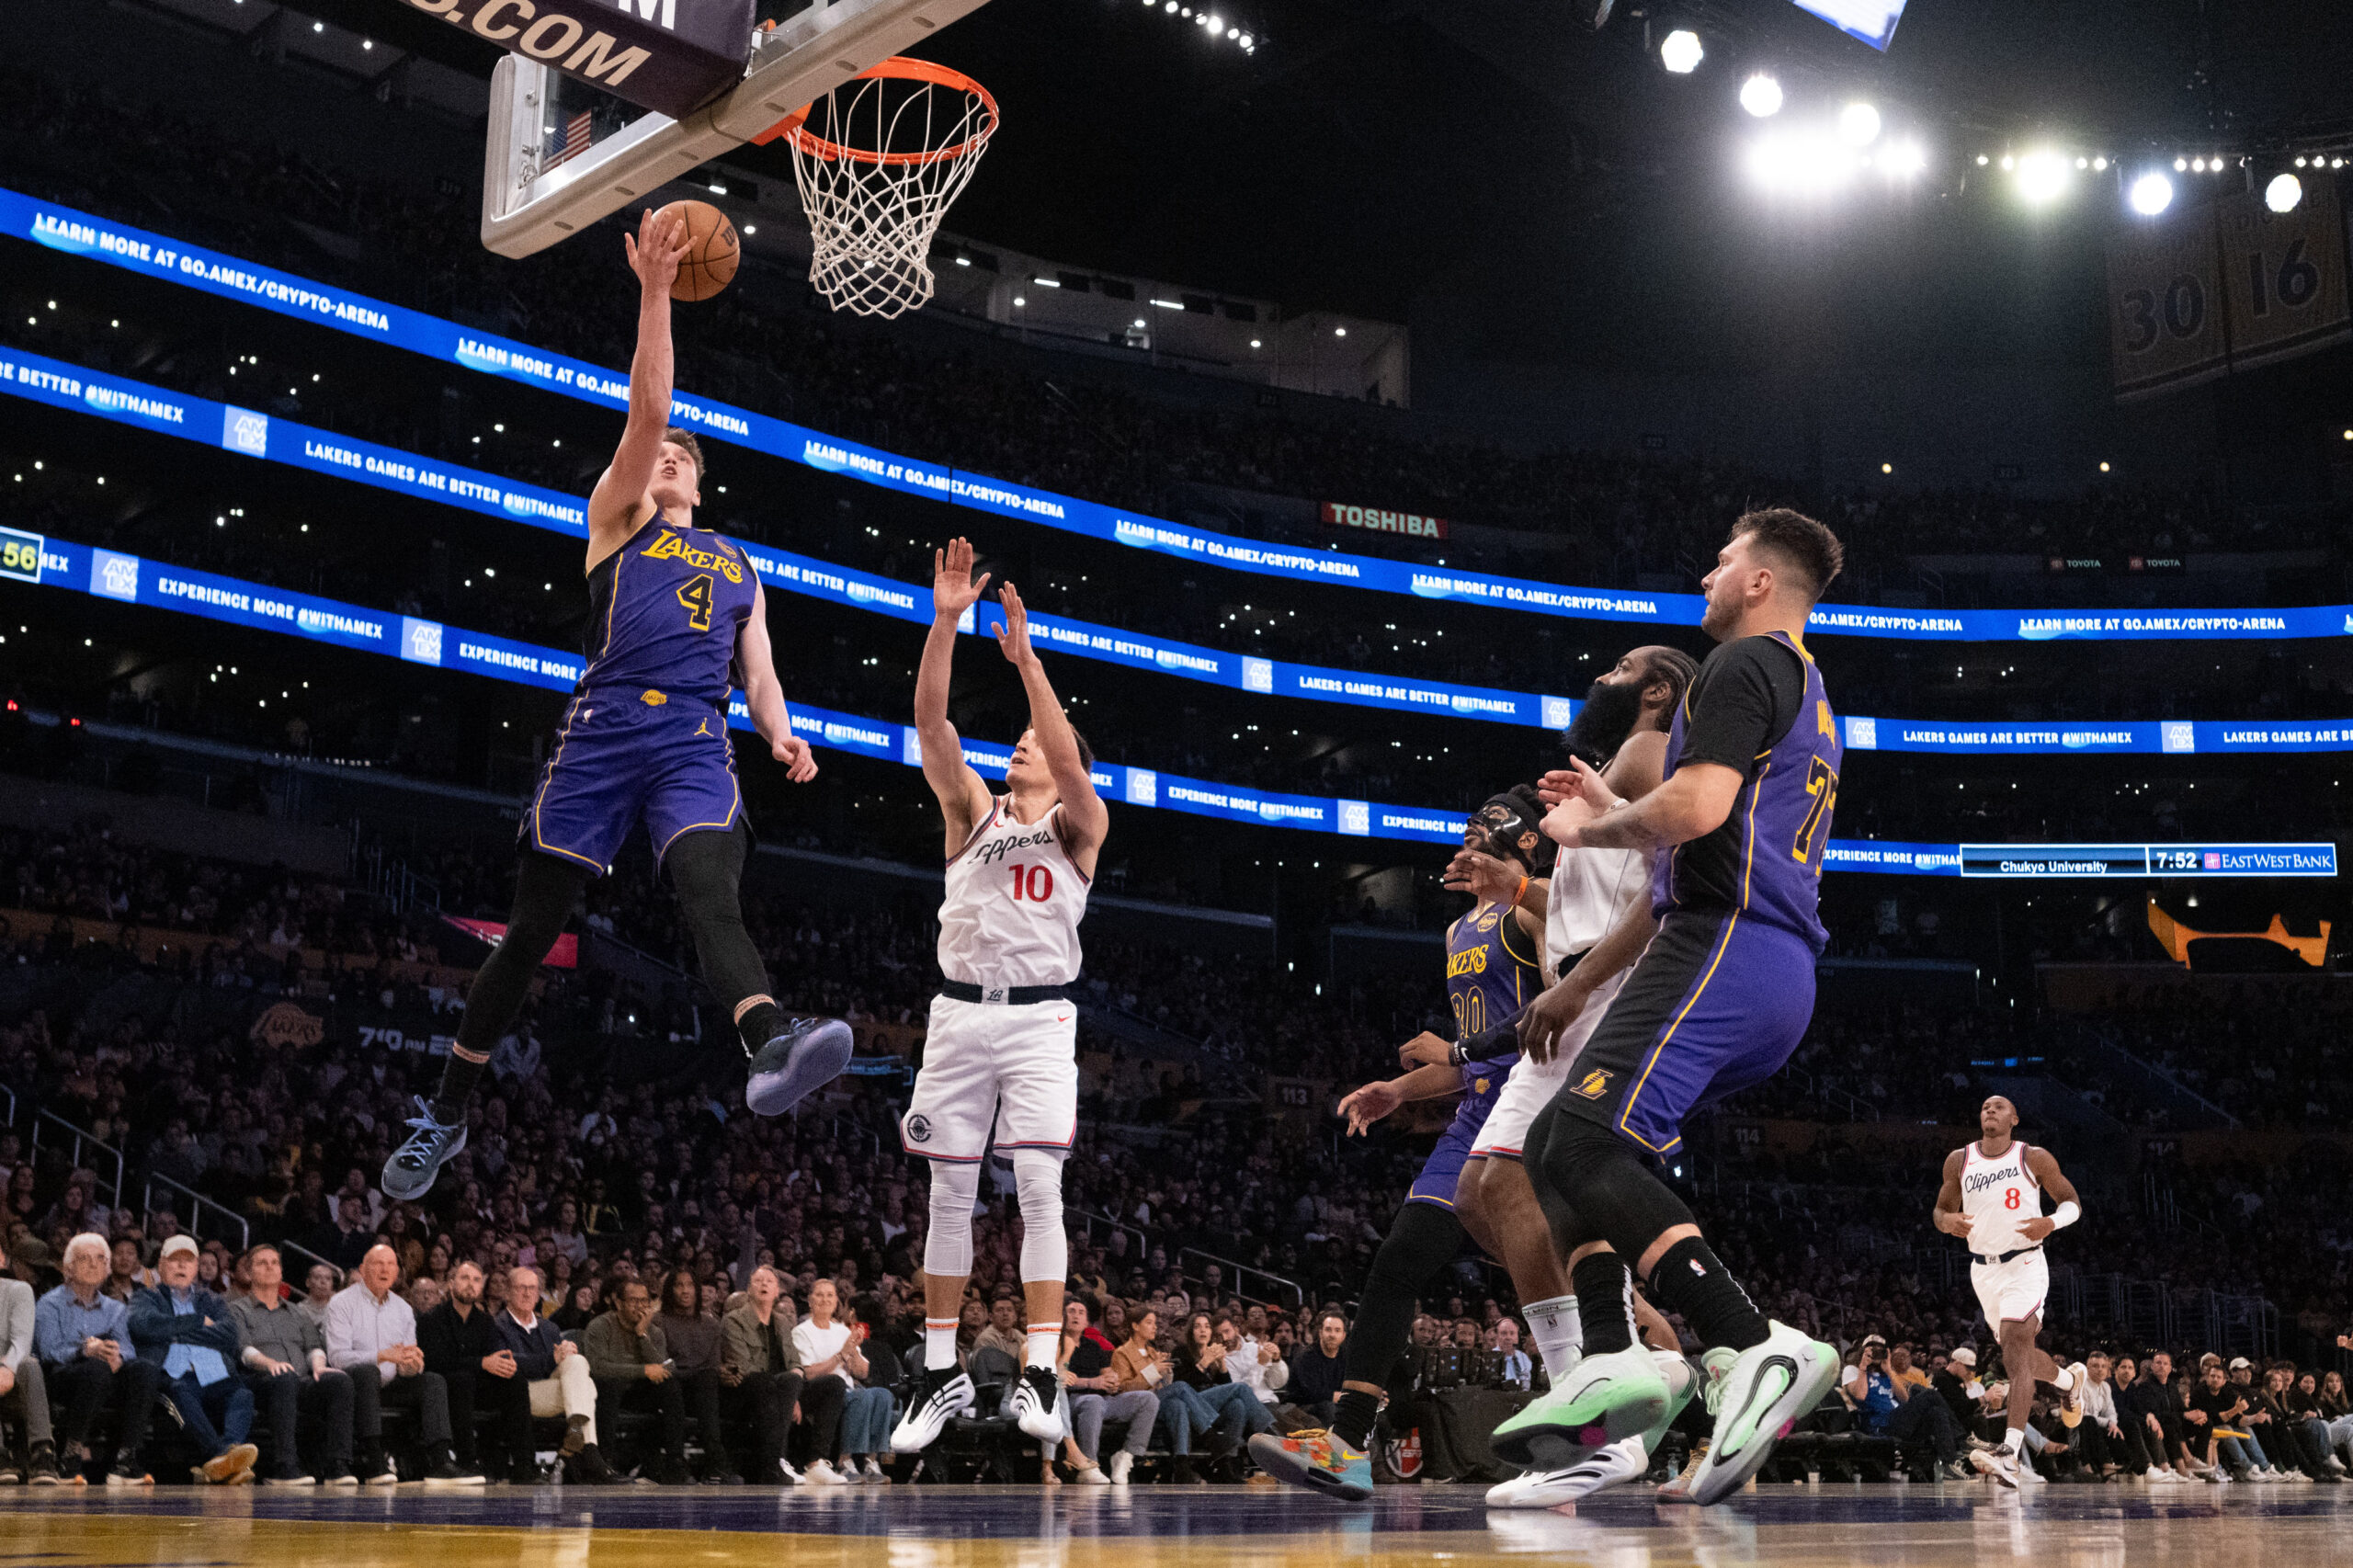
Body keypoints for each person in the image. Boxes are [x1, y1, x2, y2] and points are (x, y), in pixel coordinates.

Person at [380, 207, 845, 1205]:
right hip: (603, 725)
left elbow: (757, 663)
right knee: (530, 926)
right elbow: (646, 410)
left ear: (704, 483)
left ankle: (771, 1040)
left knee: (708, 888)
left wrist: (780, 731)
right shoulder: (615, 518)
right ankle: (450, 1108)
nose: (669, 453)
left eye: (684, 454)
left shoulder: (737, 561)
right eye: (662, 450)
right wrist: (652, 292)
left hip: (692, 734)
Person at [1496, 508, 1850, 1507]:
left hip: (1724, 937)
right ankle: (1620, 1364)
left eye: (1724, 559)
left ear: (1758, 584)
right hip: (1762, 958)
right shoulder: (1812, 691)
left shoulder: (1740, 665)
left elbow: (1695, 811)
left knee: (1575, 1144)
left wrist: (1593, 823)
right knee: (1571, 1142)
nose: (1707, 570)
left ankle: (1749, 1342)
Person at [1253, 787, 1548, 1501]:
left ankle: (1714, 1380)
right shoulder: (1456, 933)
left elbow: (1559, 1007)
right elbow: (1465, 1057)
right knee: (1396, 1262)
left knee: (1590, 1280)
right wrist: (1396, 1089)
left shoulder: (1536, 907)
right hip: (1476, 1112)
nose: (1469, 841)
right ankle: (1350, 1440)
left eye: (1486, 831)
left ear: (1522, 841)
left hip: (1537, 1108)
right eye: (1468, 829)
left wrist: (1518, 881)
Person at [891, 538, 1105, 1458]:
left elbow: (1062, 745)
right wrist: (944, 622)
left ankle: (1043, 1369)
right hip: (957, 1011)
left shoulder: (1081, 826)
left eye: (1032, 744)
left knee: (1038, 1183)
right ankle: (938, 1371)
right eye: (1015, 740)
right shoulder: (971, 814)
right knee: (946, 1187)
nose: (1019, 746)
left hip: (1039, 1017)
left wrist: (1029, 666)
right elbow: (932, 725)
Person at [1934, 1095, 2086, 1489]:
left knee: (2016, 1342)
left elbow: (2072, 1202)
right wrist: (1948, 1221)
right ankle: (2069, 1383)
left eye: (1999, 1107)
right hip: (1983, 1272)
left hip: (2026, 1263)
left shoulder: (2032, 1157)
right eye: (1984, 1106)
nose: (1989, 1110)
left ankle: (2010, 1454)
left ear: (2014, 1119)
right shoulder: (1959, 1159)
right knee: (2018, 1356)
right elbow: (1940, 1211)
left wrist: (2050, 1223)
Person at [324, 1244, 469, 1485]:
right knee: (369, 1371)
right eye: (378, 1263)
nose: (385, 1269)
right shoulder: (341, 1303)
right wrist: (383, 1355)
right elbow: (337, 1357)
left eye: (391, 1264)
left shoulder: (403, 1308)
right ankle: (373, 1460)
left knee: (433, 1381)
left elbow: (405, 1362)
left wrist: (412, 1365)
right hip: (354, 1387)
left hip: (391, 1384)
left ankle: (441, 1460)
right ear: (362, 1269)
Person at [127, 1234, 261, 1485]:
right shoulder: (146, 1297)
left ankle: (230, 1451)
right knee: (179, 1391)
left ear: (196, 1267)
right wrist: (198, 1322)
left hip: (215, 1373)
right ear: (161, 1266)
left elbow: (229, 1335)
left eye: (187, 1261)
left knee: (243, 1394)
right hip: (175, 1375)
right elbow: (145, 1325)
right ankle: (220, 1455)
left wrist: (174, 1331)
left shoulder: (210, 1299)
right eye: (174, 1260)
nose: (181, 1266)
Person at [37, 1233, 167, 1485]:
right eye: (85, 1258)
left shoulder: (114, 1308)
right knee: (96, 1368)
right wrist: (83, 1349)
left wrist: (118, 1356)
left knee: (145, 1369)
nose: (94, 1264)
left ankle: (125, 1459)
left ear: (107, 1268)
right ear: (68, 1268)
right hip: (63, 1377)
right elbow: (48, 1351)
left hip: (106, 1377)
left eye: (100, 1258)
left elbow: (129, 1349)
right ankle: (70, 1455)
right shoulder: (49, 1303)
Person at [228, 1244, 356, 1485]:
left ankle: (337, 1465)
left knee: (339, 1381)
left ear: (281, 1271)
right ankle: (285, 1465)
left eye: (274, 1262)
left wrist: (318, 1366)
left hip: (299, 1380)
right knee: (284, 1376)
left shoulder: (297, 1312)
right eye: (262, 1263)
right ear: (250, 1272)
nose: (269, 1267)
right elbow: (243, 1350)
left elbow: (314, 1347)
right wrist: (269, 1363)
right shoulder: (238, 1309)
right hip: (261, 1381)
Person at [485, 1265, 616, 1485]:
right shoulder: (496, 1326)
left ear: (539, 1294)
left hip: (553, 1391)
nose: (527, 1293)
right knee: (587, 1388)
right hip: (519, 1394)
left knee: (576, 1360)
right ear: (507, 1293)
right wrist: (552, 1359)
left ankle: (582, 1439)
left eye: (532, 1288)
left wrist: (566, 1354)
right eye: (521, 1288)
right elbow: (509, 1364)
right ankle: (587, 1451)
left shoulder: (550, 1328)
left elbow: (558, 1365)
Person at [584, 1276, 689, 1483]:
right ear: (618, 1303)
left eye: (644, 1301)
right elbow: (597, 1367)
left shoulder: (653, 1331)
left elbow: (667, 1368)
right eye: (633, 1301)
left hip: (638, 1395)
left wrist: (642, 1335)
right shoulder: (600, 1326)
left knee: (670, 1387)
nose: (640, 1306)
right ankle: (605, 1462)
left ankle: (675, 1461)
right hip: (605, 1392)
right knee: (610, 1385)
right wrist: (643, 1371)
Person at [1838, 1334, 1969, 1480]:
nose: (1876, 1353)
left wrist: (1889, 1371)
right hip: (1880, 1424)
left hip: (1900, 1421)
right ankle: (1963, 1439)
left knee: (1936, 1412)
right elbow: (1860, 1395)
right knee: (1930, 1395)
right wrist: (1863, 1367)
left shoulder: (1886, 1373)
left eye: (1880, 1349)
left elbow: (1904, 1398)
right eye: (1872, 1349)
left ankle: (1948, 1465)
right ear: (1863, 1350)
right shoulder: (1853, 1370)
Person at [718, 1265, 804, 1485]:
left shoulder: (783, 1322)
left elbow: (794, 1362)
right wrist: (786, 1394)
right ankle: (774, 1464)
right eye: (758, 1281)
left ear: (777, 1292)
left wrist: (793, 1394)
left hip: (779, 1391)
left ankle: (816, 1462)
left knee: (822, 1383)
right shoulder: (733, 1319)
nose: (764, 1284)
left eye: (769, 1282)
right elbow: (742, 1366)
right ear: (749, 1289)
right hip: (745, 1390)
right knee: (765, 1382)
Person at [415, 1261, 499, 1483]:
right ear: (451, 1284)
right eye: (464, 1278)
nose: (470, 1285)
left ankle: (521, 1466)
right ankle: (467, 1460)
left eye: (476, 1280)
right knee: (462, 1380)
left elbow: (493, 1358)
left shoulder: (486, 1322)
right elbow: (435, 1361)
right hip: (443, 1387)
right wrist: (481, 1363)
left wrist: (499, 1365)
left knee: (514, 1382)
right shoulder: (432, 1318)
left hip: (475, 1386)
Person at [1059, 1298, 1151, 1485]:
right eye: (1071, 1311)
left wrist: (1112, 1382)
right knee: (1093, 1400)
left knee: (1147, 1399)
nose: (1076, 1315)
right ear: (1062, 1317)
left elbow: (1107, 1374)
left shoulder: (1093, 1345)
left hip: (1102, 1400)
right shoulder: (1056, 1345)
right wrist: (1091, 1383)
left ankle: (1126, 1455)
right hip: (1070, 1401)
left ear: (1087, 1322)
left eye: (1081, 1312)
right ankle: (1088, 1466)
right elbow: (1058, 1380)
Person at [1173, 1311, 1273, 1482]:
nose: (1203, 1330)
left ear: (1212, 1332)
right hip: (1192, 1405)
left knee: (1238, 1405)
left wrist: (1222, 1364)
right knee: (1241, 1388)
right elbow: (1182, 1386)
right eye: (1197, 1327)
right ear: (1191, 1331)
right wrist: (1204, 1362)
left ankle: (1227, 1463)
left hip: (1211, 1407)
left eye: (1207, 1326)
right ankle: (1269, 1434)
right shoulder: (1181, 1351)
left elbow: (1224, 1386)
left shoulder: (1214, 1351)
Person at [657, 1267, 734, 1483]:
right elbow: (661, 1363)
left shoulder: (710, 1323)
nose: (685, 1290)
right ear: (670, 1290)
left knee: (707, 1379)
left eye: (690, 1285)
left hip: (701, 1389)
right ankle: (675, 1463)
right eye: (679, 1285)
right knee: (670, 1382)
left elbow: (713, 1365)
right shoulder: (659, 1321)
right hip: (668, 1386)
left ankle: (716, 1464)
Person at [0, 1230, 60, 1484]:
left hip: (10, 1382)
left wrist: (7, 1368)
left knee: (29, 1364)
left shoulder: (19, 1290)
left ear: (3, 1259)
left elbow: (22, 1341)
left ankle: (42, 1452)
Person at [790, 1278, 858, 1484]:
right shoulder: (801, 1331)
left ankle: (860, 1464)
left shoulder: (843, 1331)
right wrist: (840, 1356)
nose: (825, 1299)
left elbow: (863, 1371)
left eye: (830, 1295)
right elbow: (808, 1373)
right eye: (819, 1295)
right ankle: (816, 1462)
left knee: (879, 1394)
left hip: (846, 1388)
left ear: (836, 1301)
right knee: (835, 1383)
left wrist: (854, 1351)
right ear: (810, 1301)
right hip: (810, 1390)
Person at [839, 1294, 898, 1483]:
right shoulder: (841, 1336)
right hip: (843, 1390)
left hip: (869, 1392)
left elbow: (887, 1384)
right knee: (865, 1395)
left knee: (883, 1395)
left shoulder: (877, 1347)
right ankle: (845, 1461)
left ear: (851, 1313)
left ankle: (871, 1462)